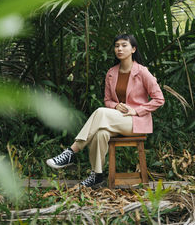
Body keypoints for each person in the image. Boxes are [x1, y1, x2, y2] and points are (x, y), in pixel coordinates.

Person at [46, 34, 165, 188]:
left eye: (124, 45)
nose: (120, 48)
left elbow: (159, 99)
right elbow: (108, 100)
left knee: (101, 112)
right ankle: (97, 175)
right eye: (117, 46)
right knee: (101, 132)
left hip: (135, 122)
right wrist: (115, 106)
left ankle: (71, 152)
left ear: (133, 49)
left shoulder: (142, 72)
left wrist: (136, 111)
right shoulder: (111, 73)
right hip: (115, 121)